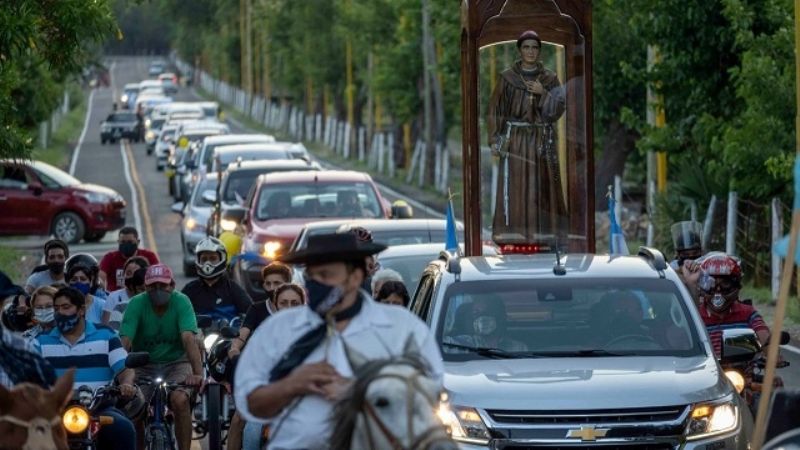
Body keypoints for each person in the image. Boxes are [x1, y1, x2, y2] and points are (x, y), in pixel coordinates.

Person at [234, 233, 443, 449]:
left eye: (325, 275)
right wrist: (291, 384)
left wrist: (358, 393)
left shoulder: (402, 328)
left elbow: (428, 398)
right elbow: (249, 403)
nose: (316, 284)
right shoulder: (277, 329)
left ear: (354, 277)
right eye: (311, 276)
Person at [487, 30, 567, 245]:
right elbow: (495, 110)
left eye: (534, 47)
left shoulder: (549, 79)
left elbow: (558, 109)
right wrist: (495, 139)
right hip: (516, 142)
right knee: (517, 188)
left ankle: (544, 237)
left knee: (542, 187)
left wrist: (544, 93)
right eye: (526, 47)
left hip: (542, 141)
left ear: (539, 51)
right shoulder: (507, 78)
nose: (530, 51)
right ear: (519, 50)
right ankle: (514, 236)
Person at [34, 286, 137, 450]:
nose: (60, 312)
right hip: (55, 412)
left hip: (99, 408)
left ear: (81, 310)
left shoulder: (106, 335)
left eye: (66, 307)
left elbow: (125, 369)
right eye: (56, 308)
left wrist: (127, 384)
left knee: (123, 428)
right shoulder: (40, 341)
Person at [119, 264, 201, 450]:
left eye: (162, 286)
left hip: (177, 362)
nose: (157, 290)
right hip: (142, 363)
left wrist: (197, 373)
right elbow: (125, 340)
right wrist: (121, 375)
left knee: (180, 400)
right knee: (134, 407)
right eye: (152, 286)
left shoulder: (182, 301)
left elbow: (188, 338)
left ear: (171, 285)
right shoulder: (137, 304)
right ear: (145, 287)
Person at [696, 253, 770, 357]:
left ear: (735, 284)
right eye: (711, 283)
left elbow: (764, 336)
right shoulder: (695, 317)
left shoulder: (747, 313)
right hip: (709, 372)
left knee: (775, 374)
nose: (718, 289)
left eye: (725, 283)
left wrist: (773, 354)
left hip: (745, 371)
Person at [0, 270, 56, 389]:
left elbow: (47, 381)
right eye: (40, 307)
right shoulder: (24, 342)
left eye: (49, 306)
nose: (44, 310)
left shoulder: (20, 346)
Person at [228, 262, 293, 359]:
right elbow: (243, 334)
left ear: (288, 284)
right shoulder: (256, 308)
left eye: (277, 283)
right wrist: (235, 349)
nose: (272, 288)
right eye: (268, 283)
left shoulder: (297, 310)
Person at [182, 237, 252, 322]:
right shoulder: (189, 290)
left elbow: (251, 314)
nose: (208, 263)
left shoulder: (233, 289)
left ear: (222, 259)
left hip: (226, 335)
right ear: (198, 261)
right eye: (204, 259)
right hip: (198, 335)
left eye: (213, 258)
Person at [444, 296, 527, 353]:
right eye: (476, 313)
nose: (481, 318)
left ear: (498, 317)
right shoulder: (462, 345)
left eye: (486, 312)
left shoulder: (518, 348)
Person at [99, 227, 160, 292]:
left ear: (138, 242)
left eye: (130, 242)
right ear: (118, 242)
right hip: (116, 298)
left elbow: (157, 277)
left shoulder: (149, 256)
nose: (126, 244)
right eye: (123, 242)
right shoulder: (110, 257)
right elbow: (100, 278)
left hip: (141, 294)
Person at [103, 256, 150, 331]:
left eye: (135, 273)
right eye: (128, 273)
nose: (131, 276)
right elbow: (106, 328)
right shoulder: (114, 297)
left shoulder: (150, 297)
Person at [67, 259, 106, 324]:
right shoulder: (63, 304)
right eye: (74, 279)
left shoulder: (102, 305)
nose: (78, 282)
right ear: (68, 283)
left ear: (90, 283)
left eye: (83, 279)